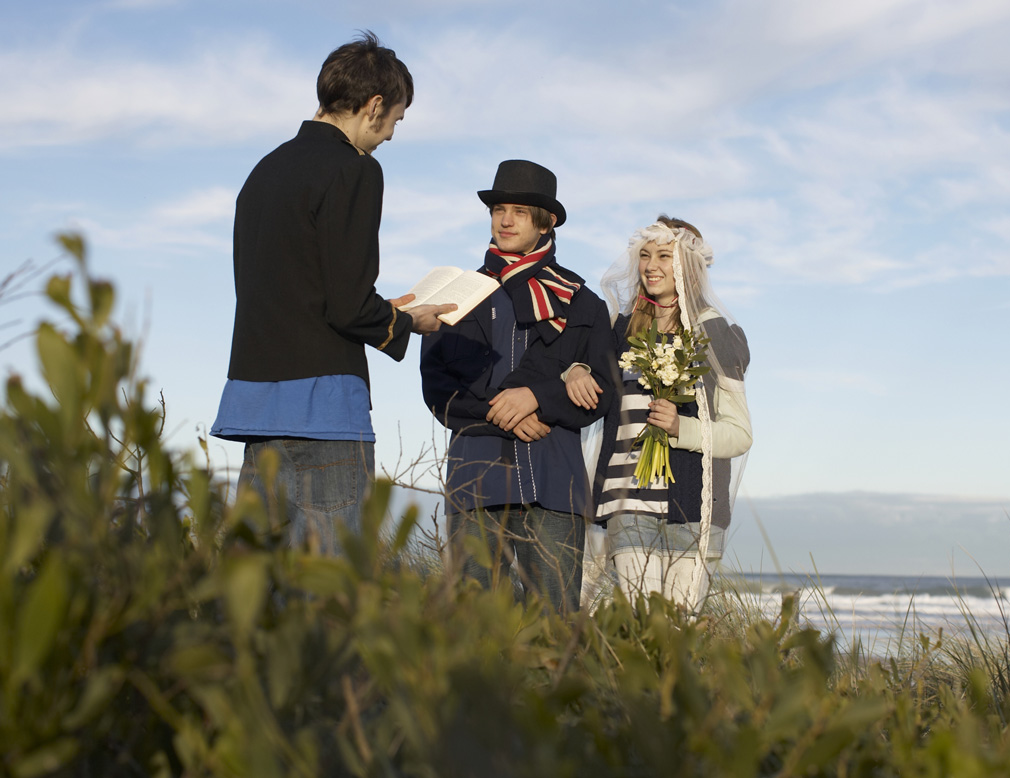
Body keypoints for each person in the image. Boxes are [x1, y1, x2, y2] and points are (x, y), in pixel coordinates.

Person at [211, 32, 454, 553]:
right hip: (323, 411)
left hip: (256, 406)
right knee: (332, 590)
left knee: (260, 587)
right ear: (373, 107)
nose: (389, 135)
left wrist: (385, 310)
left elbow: (297, 289)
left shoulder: (264, 171)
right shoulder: (355, 170)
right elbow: (346, 304)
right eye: (395, 121)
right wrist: (411, 320)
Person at [420, 160, 616, 614]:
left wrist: (537, 399)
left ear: (546, 223)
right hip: (476, 478)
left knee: (555, 626)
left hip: (553, 483)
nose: (505, 220)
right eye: (499, 209)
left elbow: (605, 391)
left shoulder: (583, 302)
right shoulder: (458, 294)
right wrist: (503, 411)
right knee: (475, 626)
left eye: (521, 212)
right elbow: (437, 388)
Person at [567, 216, 751, 612]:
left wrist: (680, 428)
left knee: (680, 635)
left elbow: (740, 435)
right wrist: (576, 369)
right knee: (642, 622)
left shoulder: (716, 335)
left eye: (664, 256)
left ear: (689, 265)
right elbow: (582, 372)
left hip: (695, 507)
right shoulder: (619, 330)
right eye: (645, 255)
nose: (651, 266)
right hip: (626, 500)